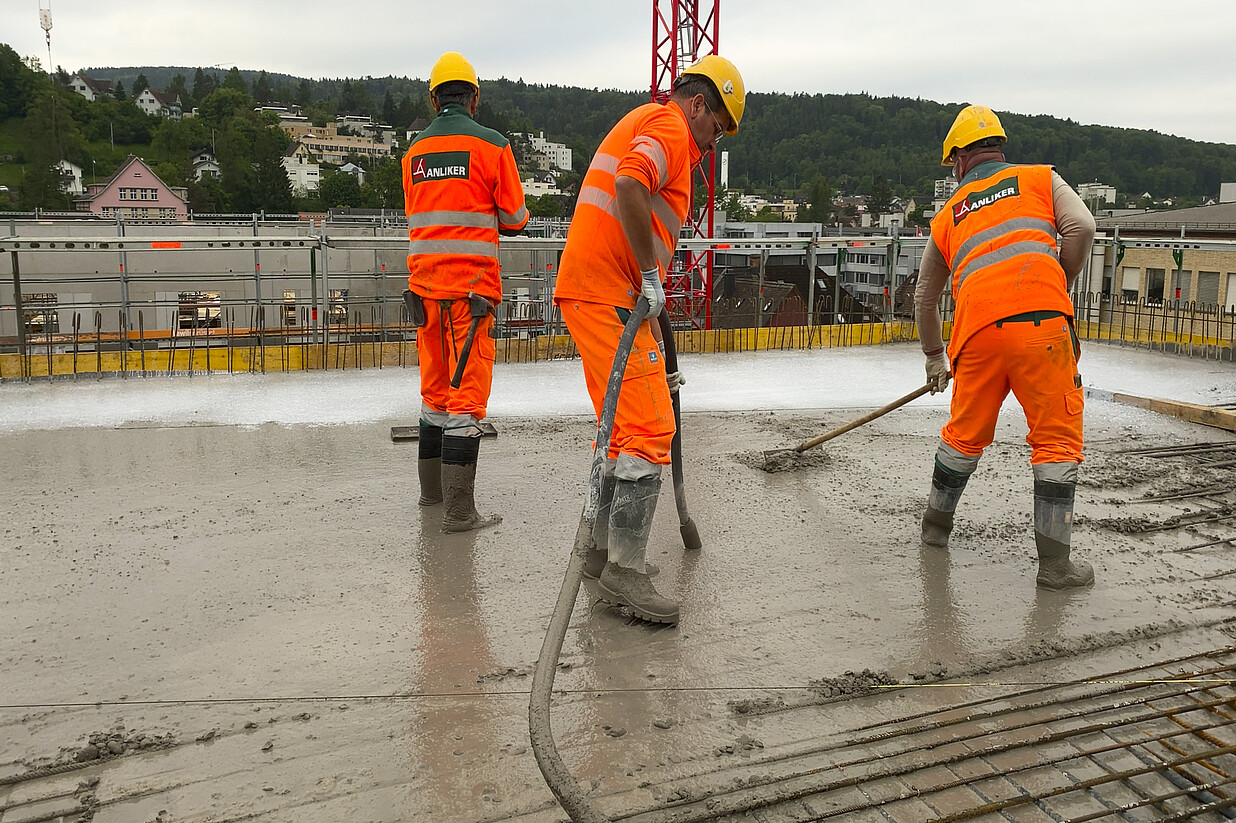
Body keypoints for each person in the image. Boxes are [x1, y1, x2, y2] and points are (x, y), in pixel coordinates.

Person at [552, 55, 745, 624]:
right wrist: (652, 275)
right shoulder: (669, 127)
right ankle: (624, 573)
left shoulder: (655, 123)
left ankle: (603, 554)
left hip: (602, 290)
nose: (712, 145)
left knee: (620, 425)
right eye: (717, 128)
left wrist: (649, 295)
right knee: (650, 424)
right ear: (699, 104)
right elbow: (631, 183)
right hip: (607, 291)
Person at [914, 104, 1097, 590]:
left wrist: (935, 358)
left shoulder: (949, 214)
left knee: (962, 435)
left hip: (976, 335)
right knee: (1056, 442)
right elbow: (1082, 228)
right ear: (999, 146)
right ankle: (1055, 568)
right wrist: (1059, 279)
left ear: (958, 161)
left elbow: (924, 297)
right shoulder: (1040, 180)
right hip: (1042, 331)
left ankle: (935, 531)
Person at [401, 52, 528, 533]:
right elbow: (515, 220)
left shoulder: (413, 153)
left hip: (424, 292)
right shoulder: (493, 147)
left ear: (434, 99)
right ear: (474, 97)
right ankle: (459, 512)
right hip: (471, 296)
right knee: (466, 400)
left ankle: (431, 496)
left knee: (434, 395)